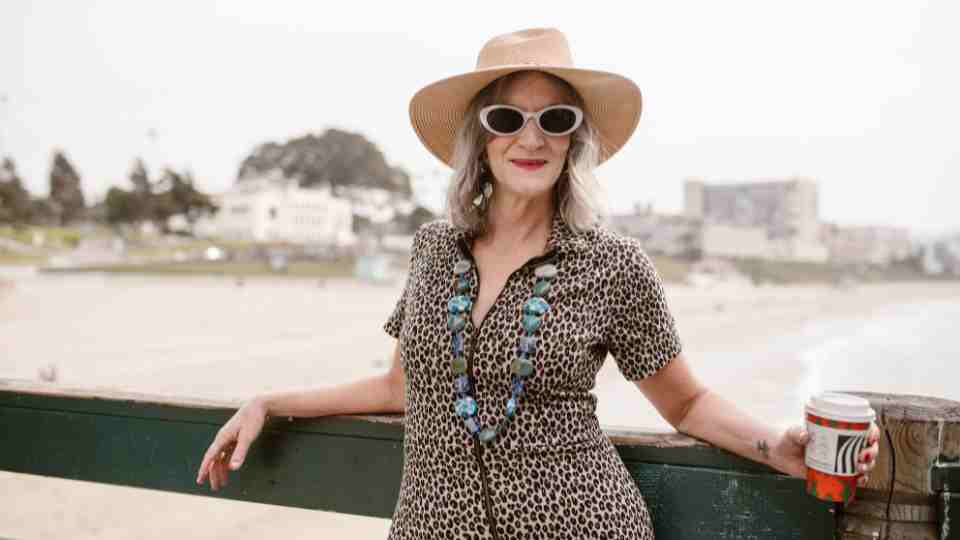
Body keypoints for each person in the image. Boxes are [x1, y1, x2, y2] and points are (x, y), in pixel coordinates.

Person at [196, 28, 881, 539]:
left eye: (555, 119)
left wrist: (776, 448)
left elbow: (687, 403)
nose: (532, 138)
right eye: (507, 118)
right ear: (480, 137)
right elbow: (400, 387)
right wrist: (269, 402)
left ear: (574, 140)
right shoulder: (433, 248)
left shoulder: (614, 263)